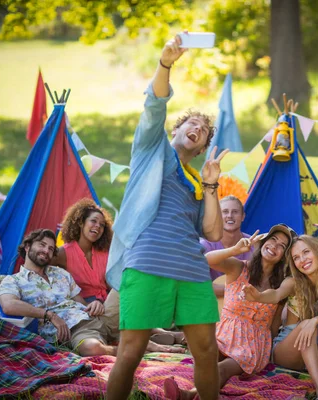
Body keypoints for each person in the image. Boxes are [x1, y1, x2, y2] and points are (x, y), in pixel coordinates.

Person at [105, 33, 228, 400]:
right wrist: (166, 64)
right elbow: (154, 105)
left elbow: (212, 230)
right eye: (192, 124)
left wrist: (211, 186)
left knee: (206, 351)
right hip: (148, 261)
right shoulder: (152, 150)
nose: (197, 130)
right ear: (176, 130)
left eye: (204, 132)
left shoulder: (198, 178)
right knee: (131, 351)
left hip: (190, 268)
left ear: (204, 147)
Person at [164, 225, 293, 400]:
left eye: (282, 246)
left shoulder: (282, 284)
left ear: (285, 256)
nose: (275, 246)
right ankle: (192, 395)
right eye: (273, 239)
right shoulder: (239, 268)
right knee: (205, 360)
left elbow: (274, 322)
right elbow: (206, 259)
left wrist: (269, 355)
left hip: (252, 344)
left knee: (221, 369)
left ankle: (188, 395)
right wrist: (235, 249)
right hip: (223, 332)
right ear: (264, 241)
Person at [54, 198, 184, 353]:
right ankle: (157, 334)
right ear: (81, 222)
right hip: (86, 310)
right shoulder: (63, 253)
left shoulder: (104, 253)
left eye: (102, 225)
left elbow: (114, 283)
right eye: (93, 221)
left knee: (133, 281)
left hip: (108, 307)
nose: (98, 227)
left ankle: (160, 333)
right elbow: (43, 271)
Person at [243, 234, 318, 400]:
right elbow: (276, 295)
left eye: (306, 252)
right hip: (289, 350)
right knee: (307, 327)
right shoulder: (293, 281)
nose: (302, 260)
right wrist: (258, 297)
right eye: (296, 258)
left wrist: (315, 320)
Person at [0, 229, 115, 356]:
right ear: (27, 246)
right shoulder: (14, 280)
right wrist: (50, 315)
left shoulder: (60, 273)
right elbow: (9, 305)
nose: (46, 251)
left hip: (97, 317)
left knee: (125, 284)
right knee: (92, 348)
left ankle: (125, 339)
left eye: (51, 249)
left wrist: (96, 304)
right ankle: (126, 351)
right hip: (76, 329)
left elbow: (82, 303)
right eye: (42, 245)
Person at [201, 195, 253, 297]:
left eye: (235, 212)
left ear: (243, 216)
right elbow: (199, 285)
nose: (229, 215)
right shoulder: (205, 245)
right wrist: (234, 290)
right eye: (225, 211)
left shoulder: (253, 245)